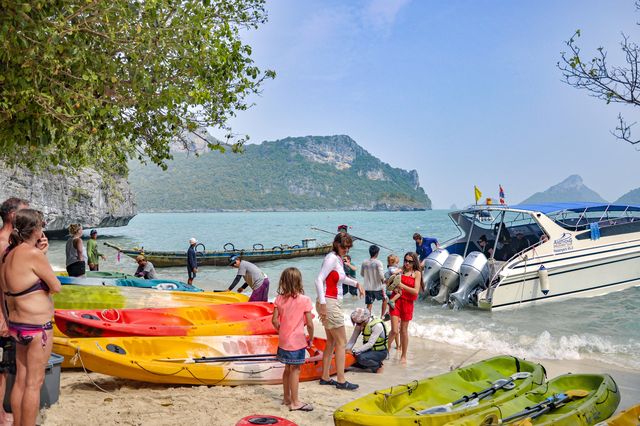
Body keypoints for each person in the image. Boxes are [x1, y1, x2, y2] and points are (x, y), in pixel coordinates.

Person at [0, 209, 61, 426]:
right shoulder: (33, 255)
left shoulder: (8, 254)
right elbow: (56, 287)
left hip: (17, 326)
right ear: (36, 229)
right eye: (42, 225)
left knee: (21, 381)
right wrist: (42, 254)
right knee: (34, 384)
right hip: (37, 328)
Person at [315, 232, 360, 391]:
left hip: (330, 301)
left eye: (348, 247)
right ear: (336, 244)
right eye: (343, 246)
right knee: (341, 342)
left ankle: (325, 377)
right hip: (329, 302)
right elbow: (319, 279)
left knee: (332, 341)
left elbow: (341, 279)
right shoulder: (332, 258)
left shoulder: (337, 259)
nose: (345, 249)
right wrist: (322, 303)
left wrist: (356, 284)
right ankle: (341, 380)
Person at [0, 197, 31, 425]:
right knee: (2, 370)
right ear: (12, 215)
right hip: (3, 315)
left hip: (9, 313)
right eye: (24, 213)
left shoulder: (10, 244)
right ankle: (1, 416)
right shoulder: (3, 244)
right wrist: (3, 317)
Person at [272, 267, 314, 412]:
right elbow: (309, 323)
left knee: (287, 369)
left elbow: (274, 321)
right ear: (299, 281)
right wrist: (311, 339)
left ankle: (286, 398)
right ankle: (295, 402)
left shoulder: (278, 299)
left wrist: (282, 331)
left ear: (283, 282)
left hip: (283, 340)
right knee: (295, 370)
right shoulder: (305, 300)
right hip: (296, 341)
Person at [387, 252, 421, 364]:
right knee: (394, 330)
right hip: (396, 300)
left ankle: (403, 356)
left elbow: (416, 291)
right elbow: (388, 283)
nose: (407, 263)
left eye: (410, 261)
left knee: (404, 331)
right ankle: (385, 351)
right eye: (405, 260)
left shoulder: (416, 273)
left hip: (407, 303)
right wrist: (394, 288)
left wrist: (402, 286)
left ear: (414, 262)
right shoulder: (400, 270)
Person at [346, 308, 388, 373]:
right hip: (368, 351)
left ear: (365, 320)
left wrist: (354, 351)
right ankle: (366, 364)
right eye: (356, 323)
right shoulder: (360, 324)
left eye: (359, 324)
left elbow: (370, 344)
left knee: (361, 357)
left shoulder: (377, 326)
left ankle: (377, 366)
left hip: (380, 352)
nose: (357, 325)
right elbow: (352, 340)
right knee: (353, 358)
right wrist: (345, 351)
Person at [360, 245, 387, 318]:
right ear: (377, 253)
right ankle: (382, 316)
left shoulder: (364, 262)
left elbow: (362, 274)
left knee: (369, 304)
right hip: (378, 287)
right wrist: (385, 281)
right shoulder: (379, 263)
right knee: (385, 299)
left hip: (368, 287)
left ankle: (367, 319)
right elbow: (381, 276)